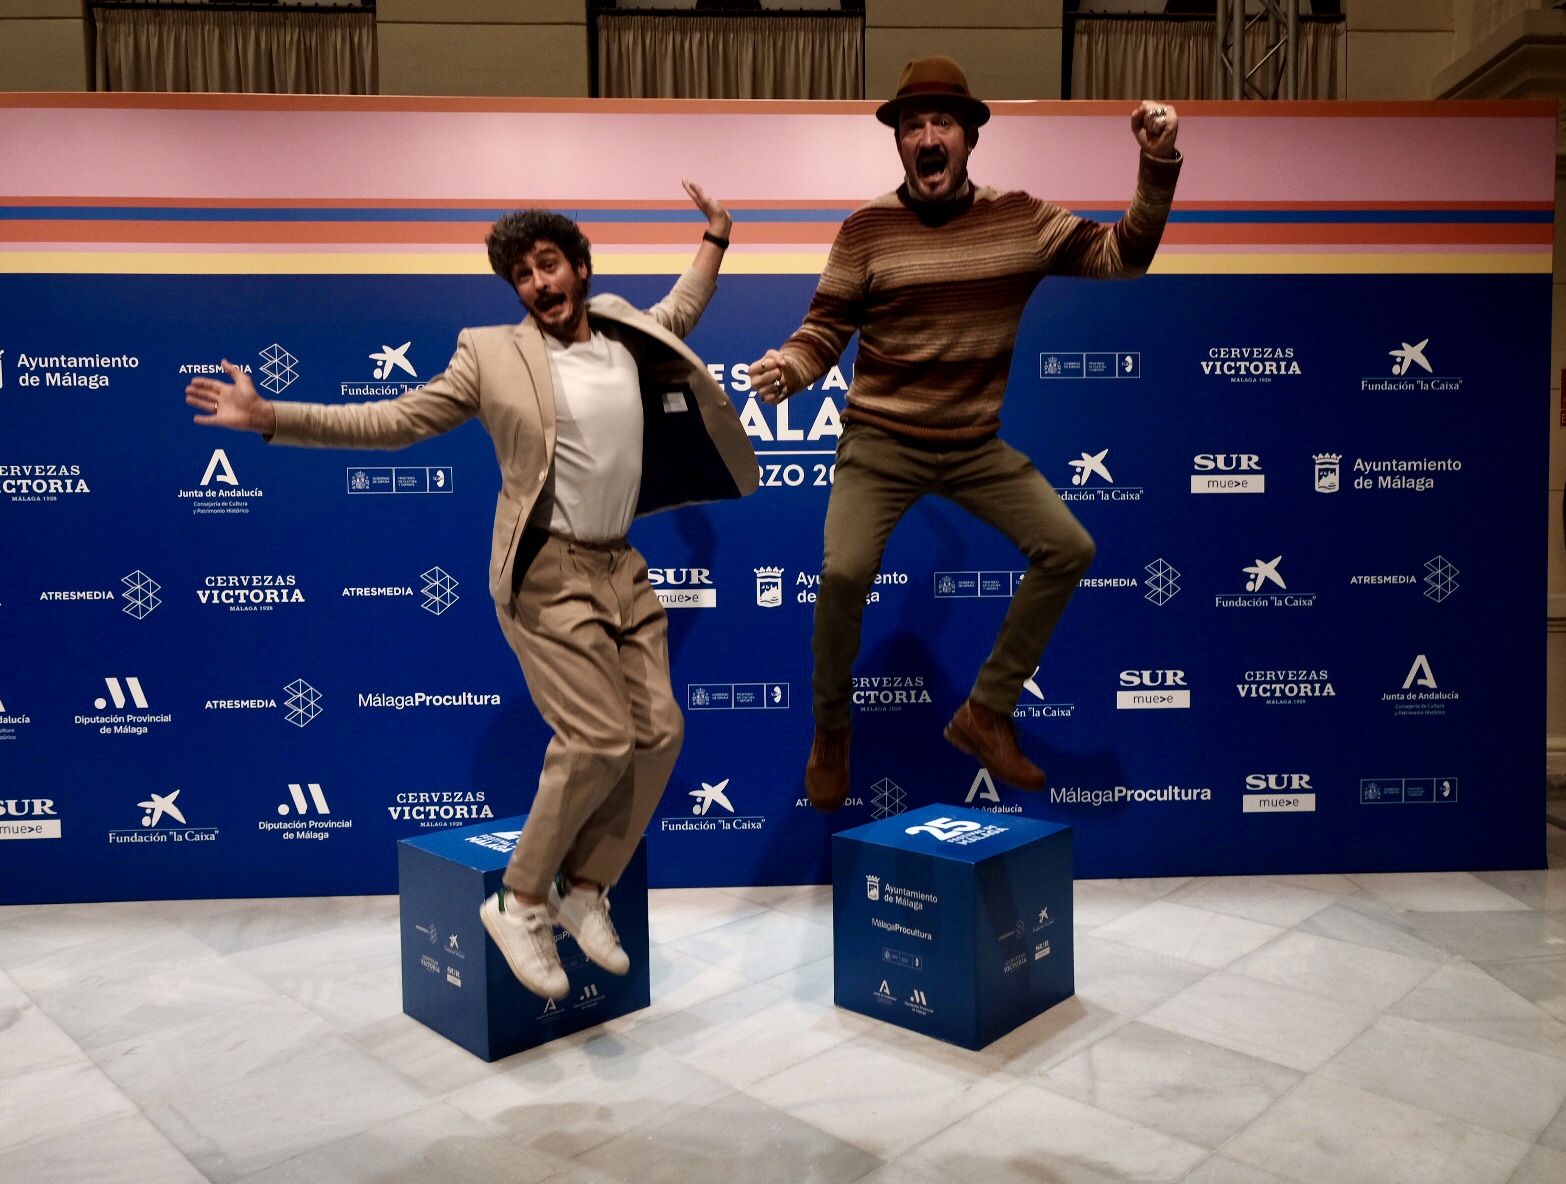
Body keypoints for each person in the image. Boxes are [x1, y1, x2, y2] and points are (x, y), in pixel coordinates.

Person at [185, 183, 757, 998]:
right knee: (598, 739)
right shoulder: (490, 353)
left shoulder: (628, 330)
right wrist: (272, 416)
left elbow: (681, 311)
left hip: (623, 565)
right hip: (548, 571)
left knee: (659, 731)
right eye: (521, 275)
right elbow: (395, 419)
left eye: (548, 265)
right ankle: (521, 899)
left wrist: (717, 240)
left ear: (581, 269)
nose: (537, 284)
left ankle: (585, 890)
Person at [748, 57, 1181, 812]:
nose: (926, 136)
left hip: (973, 444)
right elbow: (824, 329)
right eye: (912, 125)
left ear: (969, 137)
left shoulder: (1021, 219)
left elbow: (1125, 256)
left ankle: (985, 711)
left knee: (1070, 547)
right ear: (899, 143)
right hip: (882, 442)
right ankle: (831, 730)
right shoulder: (867, 229)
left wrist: (1156, 162)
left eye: (941, 122)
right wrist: (790, 367)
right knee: (844, 574)